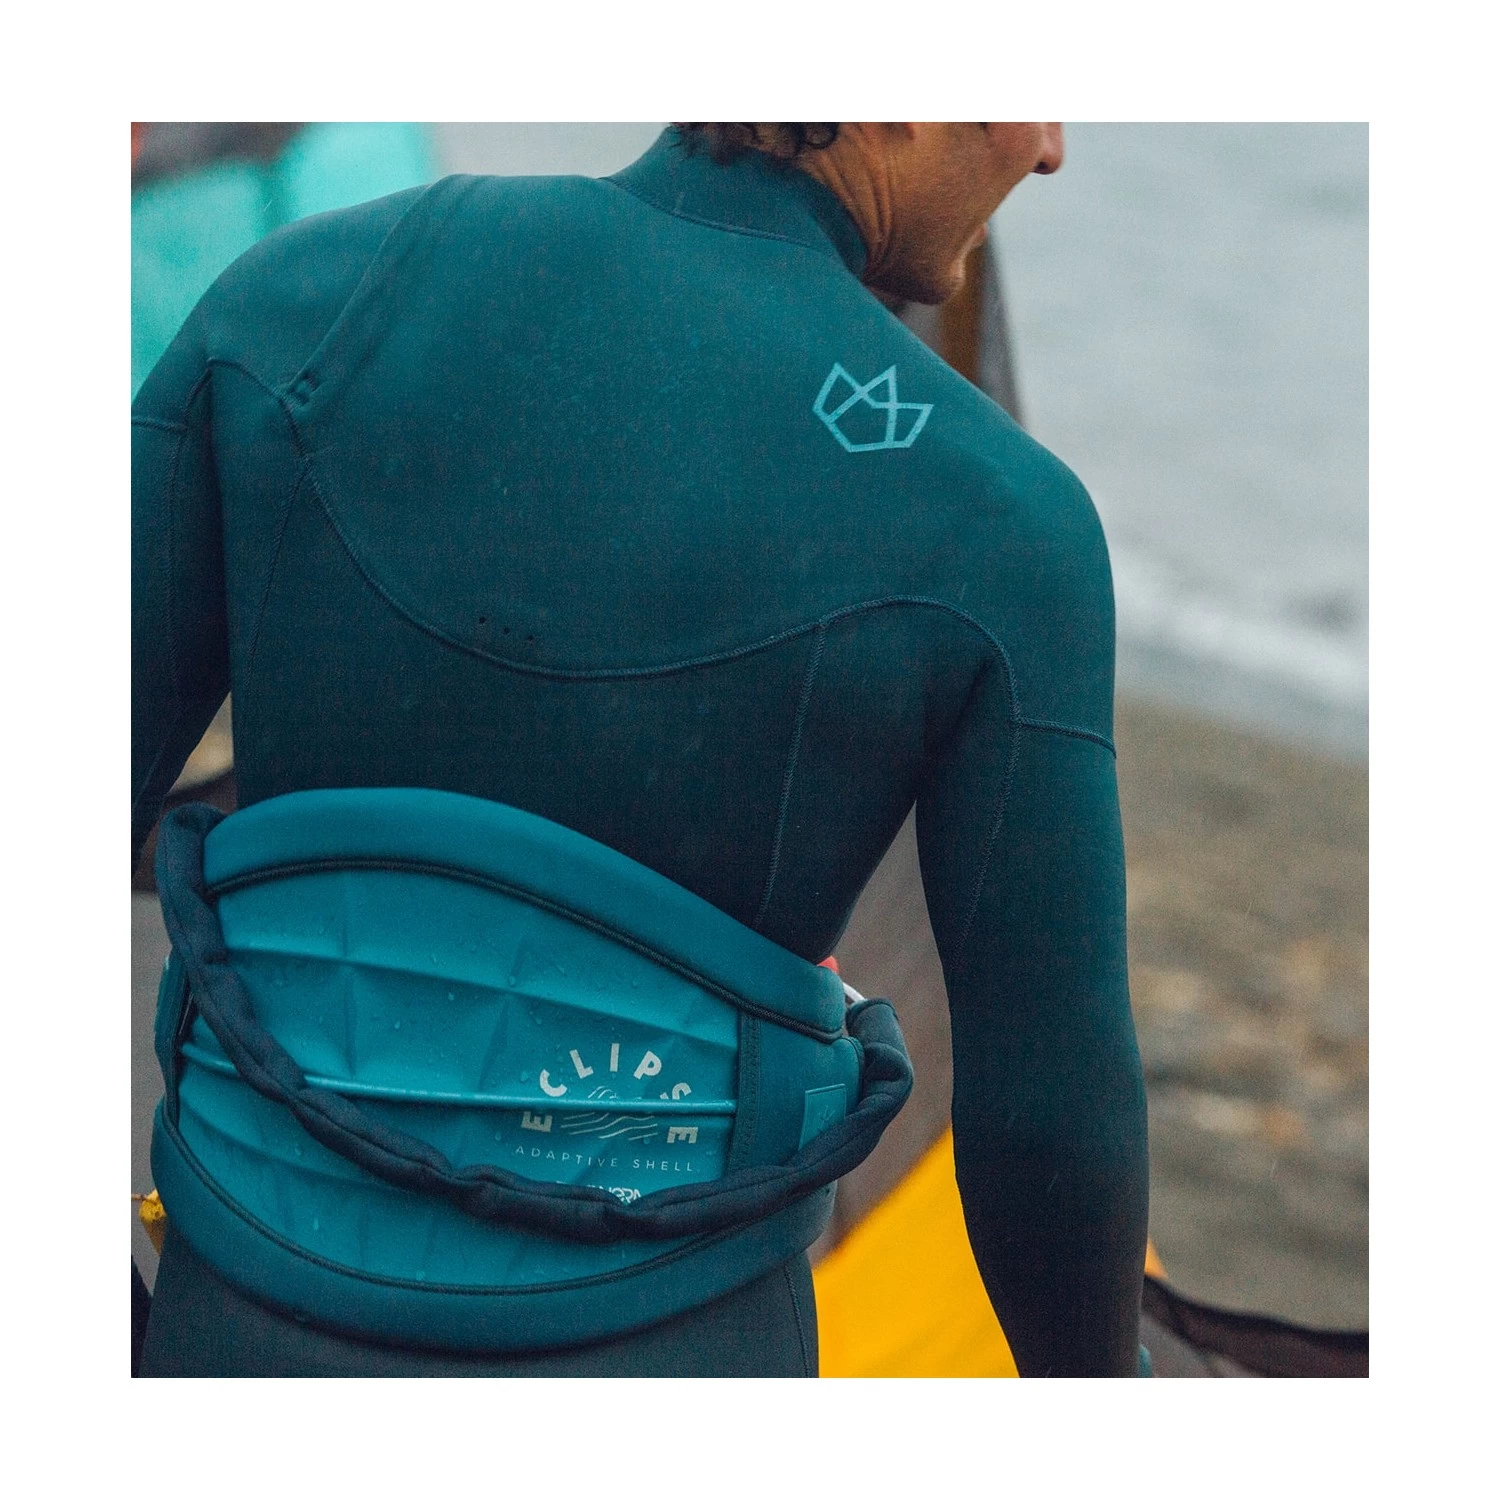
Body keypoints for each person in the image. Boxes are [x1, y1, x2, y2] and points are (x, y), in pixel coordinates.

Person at [132, 122, 1149, 1376]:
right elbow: (1050, 1127)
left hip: (237, 1332)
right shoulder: (1001, 521)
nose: (1050, 149)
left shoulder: (302, 298)